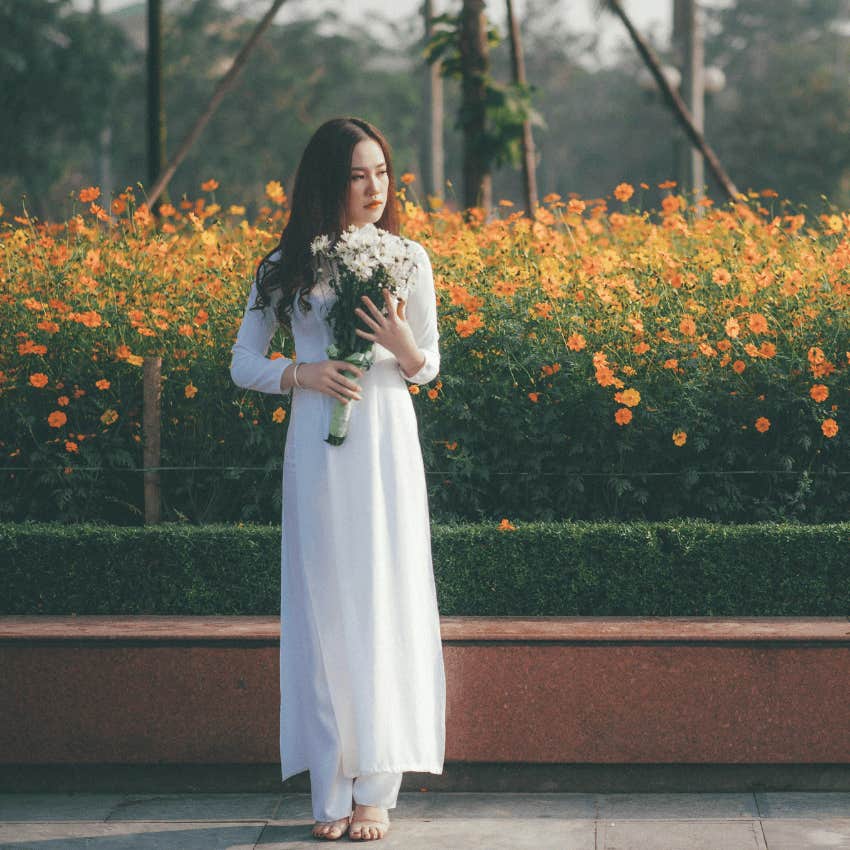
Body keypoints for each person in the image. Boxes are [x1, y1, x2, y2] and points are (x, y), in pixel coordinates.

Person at [229, 117, 446, 842]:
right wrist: (305, 372)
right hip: (320, 449)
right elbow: (243, 363)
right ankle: (331, 786)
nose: (375, 189)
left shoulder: (409, 257)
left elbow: (430, 365)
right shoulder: (284, 266)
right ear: (327, 182)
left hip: (384, 439)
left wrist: (401, 344)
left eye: (382, 172)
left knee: (384, 596)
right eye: (358, 176)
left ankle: (376, 789)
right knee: (324, 604)